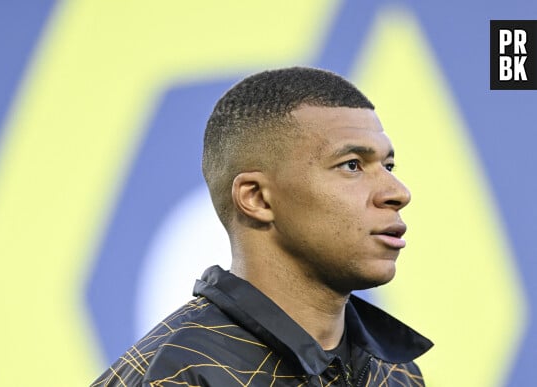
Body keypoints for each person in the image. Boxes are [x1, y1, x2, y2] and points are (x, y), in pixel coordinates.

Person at [91, 67, 433, 386]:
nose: (398, 192)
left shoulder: (397, 373)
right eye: (352, 165)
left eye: (388, 165)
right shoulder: (176, 376)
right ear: (257, 198)